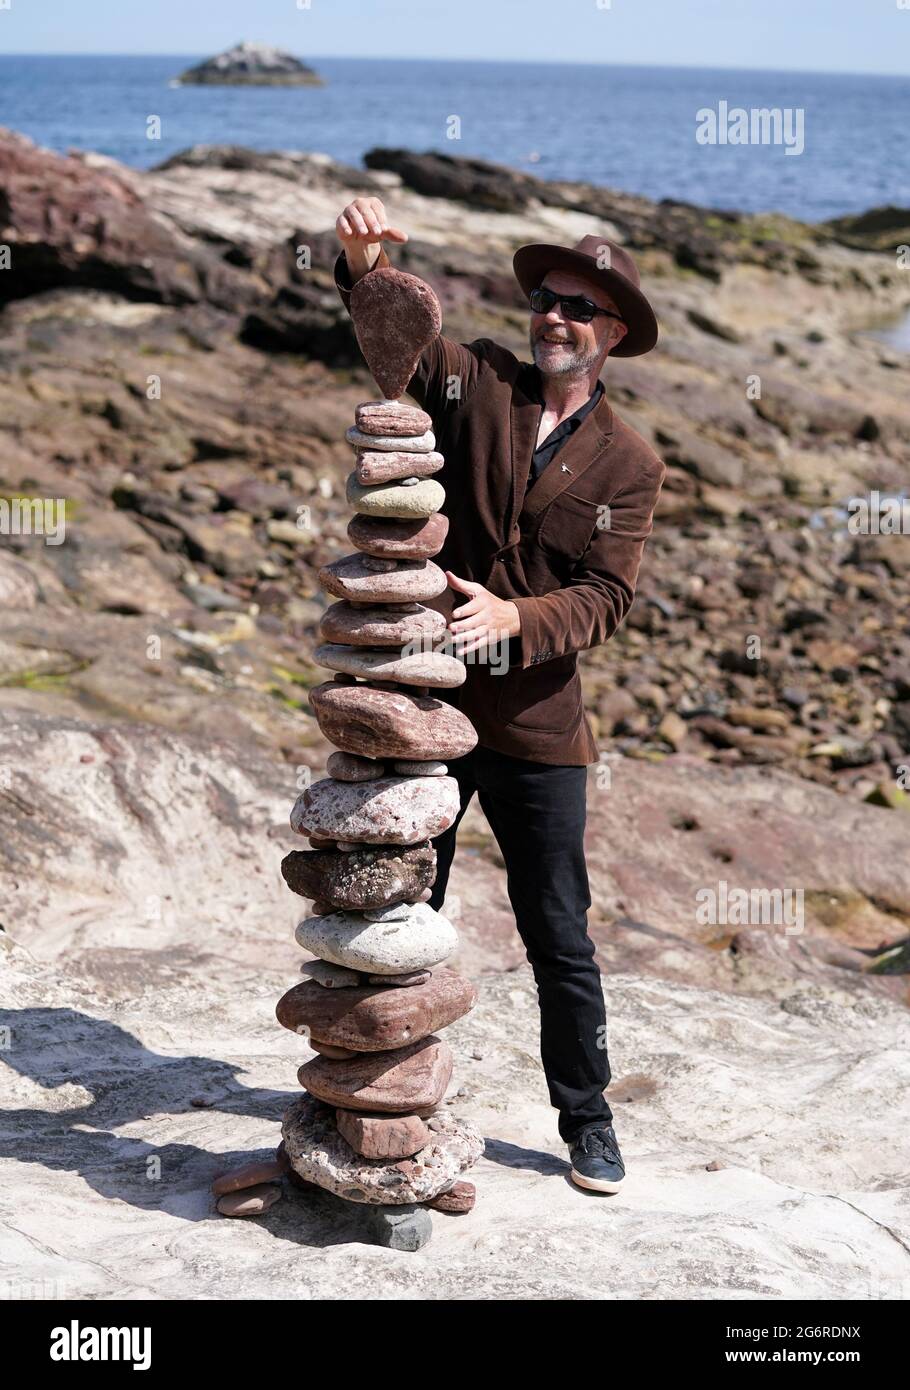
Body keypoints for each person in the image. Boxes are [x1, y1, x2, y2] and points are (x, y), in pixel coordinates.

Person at [333, 196, 666, 1193]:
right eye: (546, 298)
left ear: (611, 334)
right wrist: (365, 269)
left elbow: (605, 598)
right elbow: (402, 348)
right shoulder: (475, 380)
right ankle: (370, 1091)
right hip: (423, 706)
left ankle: (588, 1123)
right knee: (395, 904)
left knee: (558, 934)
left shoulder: (631, 462)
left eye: (578, 307)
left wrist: (515, 620)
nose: (553, 316)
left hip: (536, 724)